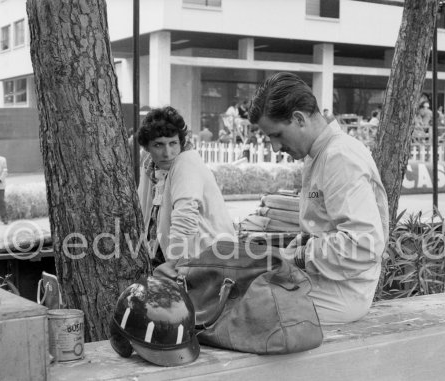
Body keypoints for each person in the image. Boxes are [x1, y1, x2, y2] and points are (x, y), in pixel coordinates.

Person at [249, 72, 389, 325]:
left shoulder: (340, 157)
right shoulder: (319, 155)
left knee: (242, 307)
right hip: (327, 281)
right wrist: (299, 246)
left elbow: (363, 245)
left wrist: (301, 255)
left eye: (277, 135)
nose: (275, 147)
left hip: (341, 293)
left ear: (299, 118)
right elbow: (325, 227)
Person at [137, 106, 235, 266]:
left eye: (173, 143)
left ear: (181, 142)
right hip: (173, 257)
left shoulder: (185, 162)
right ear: (147, 147)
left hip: (203, 261)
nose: (167, 152)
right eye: (158, 145)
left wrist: (175, 264)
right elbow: (143, 210)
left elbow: (185, 217)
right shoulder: (150, 165)